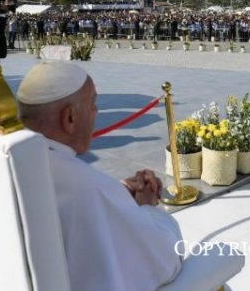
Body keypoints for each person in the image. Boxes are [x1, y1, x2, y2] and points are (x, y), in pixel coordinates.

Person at [17, 62, 182, 291]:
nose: (96, 112)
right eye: (93, 104)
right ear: (70, 118)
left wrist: (119, 190)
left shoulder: (15, 160)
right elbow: (164, 258)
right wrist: (147, 205)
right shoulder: (90, 189)